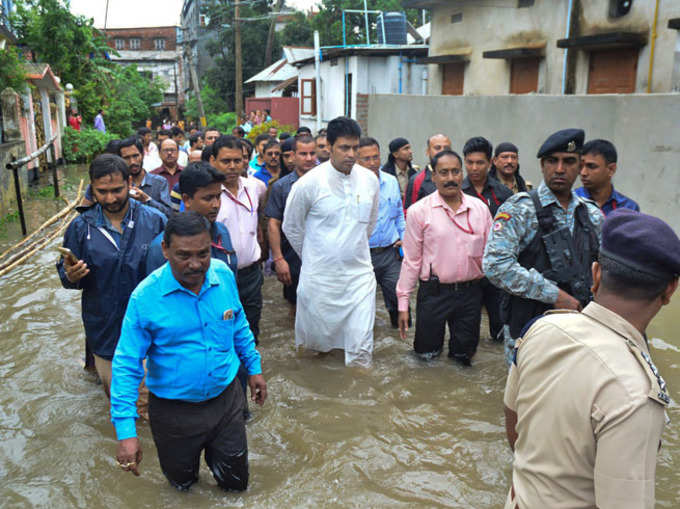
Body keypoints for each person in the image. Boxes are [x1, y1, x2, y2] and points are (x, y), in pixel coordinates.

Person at [503, 209, 678, 509]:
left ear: (596, 274)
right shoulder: (635, 395)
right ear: (669, 290)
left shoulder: (542, 329)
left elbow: (513, 426)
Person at [110, 212, 267, 491]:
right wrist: (126, 432)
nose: (195, 264)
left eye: (203, 254)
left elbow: (238, 323)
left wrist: (254, 369)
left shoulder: (222, 274)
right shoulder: (144, 298)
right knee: (183, 489)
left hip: (227, 401)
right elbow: (126, 365)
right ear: (165, 250)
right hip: (174, 413)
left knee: (236, 485)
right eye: (183, 255)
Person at [483, 128, 605, 364]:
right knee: (526, 397)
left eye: (569, 161)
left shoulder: (591, 215)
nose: (560, 169)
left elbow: (604, 269)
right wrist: (554, 295)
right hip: (529, 328)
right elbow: (495, 265)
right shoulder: (520, 209)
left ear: (579, 166)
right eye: (552, 161)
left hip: (579, 329)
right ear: (542, 165)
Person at [57, 154, 166, 397]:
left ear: (129, 182)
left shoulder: (155, 220)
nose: (110, 198)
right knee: (118, 402)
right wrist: (71, 276)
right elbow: (66, 277)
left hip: (151, 328)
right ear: (91, 188)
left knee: (151, 404)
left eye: (117, 190)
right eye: (102, 191)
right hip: (104, 330)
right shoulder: (80, 227)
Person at [282, 117, 380, 367]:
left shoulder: (370, 181)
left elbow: (368, 225)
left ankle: (360, 403)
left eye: (355, 148)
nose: (351, 154)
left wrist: (348, 250)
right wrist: (318, 257)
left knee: (360, 348)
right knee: (317, 350)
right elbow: (291, 227)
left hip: (359, 277)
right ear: (329, 146)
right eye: (344, 148)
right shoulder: (308, 184)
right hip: (319, 280)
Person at [396, 150, 492, 365]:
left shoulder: (480, 209)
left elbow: (491, 254)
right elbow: (411, 260)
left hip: (471, 294)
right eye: (444, 172)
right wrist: (403, 303)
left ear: (462, 174)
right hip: (433, 293)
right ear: (434, 177)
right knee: (426, 359)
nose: (450, 178)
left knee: (464, 359)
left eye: (455, 172)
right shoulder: (419, 211)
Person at [213, 136, 265, 344]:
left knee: (251, 331)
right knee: (222, 331)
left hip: (251, 273)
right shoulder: (209, 193)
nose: (233, 166)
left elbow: (260, 218)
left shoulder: (256, 187)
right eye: (226, 161)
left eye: (238, 160)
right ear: (213, 161)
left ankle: (250, 374)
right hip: (220, 278)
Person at [461, 136, 513, 342]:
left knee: (500, 327)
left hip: (497, 272)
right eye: (470, 162)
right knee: (466, 329)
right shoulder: (456, 192)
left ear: (490, 163)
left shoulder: (503, 194)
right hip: (466, 273)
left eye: (480, 162)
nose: (474, 168)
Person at [146, 162, 237, 274]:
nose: (216, 205)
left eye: (218, 197)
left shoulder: (222, 232)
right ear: (187, 199)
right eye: (208, 198)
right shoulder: (163, 247)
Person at [358, 137, 406, 329]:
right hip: (361, 256)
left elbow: (399, 215)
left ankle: (401, 341)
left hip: (390, 253)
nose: (372, 163)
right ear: (357, 161)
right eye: (366, 159)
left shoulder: (391, 181)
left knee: (400, 301)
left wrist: (405, 239)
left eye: (375, 157)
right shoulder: (350, 186)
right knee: (360, 305)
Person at [265, 135, 317, 308]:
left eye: (312, 153)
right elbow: (273, 223)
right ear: (293, 155)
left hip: (323, 253)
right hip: (293, 254)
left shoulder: (328, 182)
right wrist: (278, 259)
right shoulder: (281, 186)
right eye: (303, 154)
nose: (309, 158)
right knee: (295, 305)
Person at [575, 139, 639, 215]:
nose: (583, 173)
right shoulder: (569, 202)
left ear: (611, 169)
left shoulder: (628, 208)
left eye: (591, 166)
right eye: (580, 166)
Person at [404, 134, 452, 209]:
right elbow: (409, 212)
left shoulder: (456, 177)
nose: (442, 151)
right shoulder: (417, 180)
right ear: (428, 151)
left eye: (446, 148)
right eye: (437, 148)